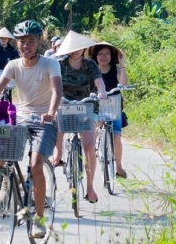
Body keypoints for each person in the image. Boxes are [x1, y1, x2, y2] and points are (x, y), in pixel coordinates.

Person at [0, 20, 62, 239]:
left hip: (45, 121)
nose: (25, 46)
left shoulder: (50, 64)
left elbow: (56, 91)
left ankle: (39, 220)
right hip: (21, 119)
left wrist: (51, 111)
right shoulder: (13, 65)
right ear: (17, 43)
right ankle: (4, 178)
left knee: (35, 164)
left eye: (30, 41)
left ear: (38, 43)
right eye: (22, 41)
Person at [52, 30, 107, 204]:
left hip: (86, 105)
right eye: (72, 48)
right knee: (58, 119)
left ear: (83, 49)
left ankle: (90, 186)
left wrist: (102, 92)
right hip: (65, 103)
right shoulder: (58, 64)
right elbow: (51, 83)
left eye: (78, 48)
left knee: (89, 146)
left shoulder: (90, 65)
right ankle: (58, 152)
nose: (75, 51)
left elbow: (99, 81)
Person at [89, 42, 128, 179]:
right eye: (100, 54)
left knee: (116, 137)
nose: (103, 57)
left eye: (107, 54)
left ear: (112, 56)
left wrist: (122, 64)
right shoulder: (92, 70)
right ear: (95, 56)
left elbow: (123, 84)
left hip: (114, 107)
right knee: (93, 131)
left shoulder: (115, 70)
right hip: (97, 106)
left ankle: (118, 166)